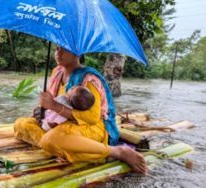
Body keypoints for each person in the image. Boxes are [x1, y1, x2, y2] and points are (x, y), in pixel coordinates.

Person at [14, 46, 148, 174]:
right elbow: (51, 102)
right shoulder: (57, 73)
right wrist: (41, 110)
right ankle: (66, 148)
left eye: (64, 49)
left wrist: (54, 106)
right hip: (61, 124)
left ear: (77, 52)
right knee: (21, 124)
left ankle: (116, 151)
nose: (58, 53)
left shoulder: (88, 79)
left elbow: (92, 117)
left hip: (92, 128)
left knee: (50, 140)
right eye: (57, 48)